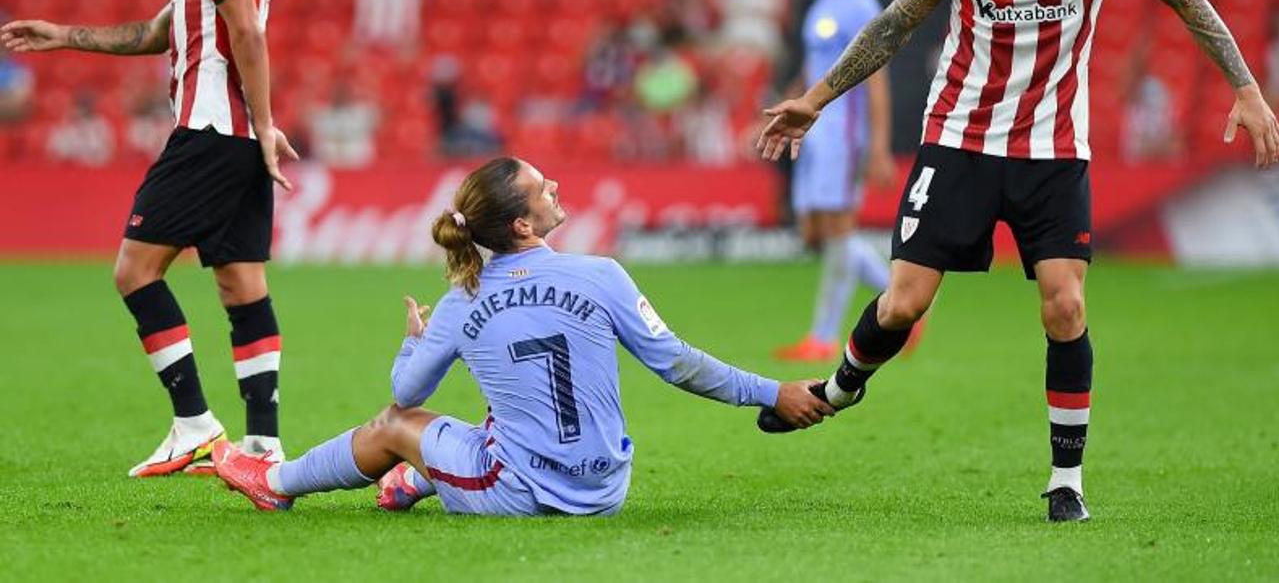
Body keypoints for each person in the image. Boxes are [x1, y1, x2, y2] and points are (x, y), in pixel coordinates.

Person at [755, 0, 1279, 522]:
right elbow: (893, 26)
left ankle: (1065, 480)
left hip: (1052, 149)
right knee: (904, 302)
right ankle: (841, 388)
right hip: (959, 139)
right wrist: (815, 99)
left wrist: (1245, 89)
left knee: (1065, 305)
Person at [213, 157, 833, 514]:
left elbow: (404, 392)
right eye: (542, 188)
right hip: (605, 487)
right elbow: (675, 363)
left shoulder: (465, 297)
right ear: (521, 222)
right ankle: (413, 480)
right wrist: (770, 391)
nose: (554, 187)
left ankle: (274, 484)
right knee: (500, 411)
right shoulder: (602, 274)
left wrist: (412, 340)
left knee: (392, 427)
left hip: (526, 492)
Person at [1, 0, 298, 476]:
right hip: (238, 135)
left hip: (213, 133)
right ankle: (264, 447)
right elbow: (159, 33)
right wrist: (62, 35)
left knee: (135, 271)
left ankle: (194, 425)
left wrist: (266, 122)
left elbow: (248, 35)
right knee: (241, 284)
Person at [771, 0, 900, 362]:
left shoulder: (860, 4)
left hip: (844, 132)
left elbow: (877, 77)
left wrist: (879, 146)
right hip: (814, 133)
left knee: (839, 229)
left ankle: (823, 338)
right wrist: (783, 108)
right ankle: (901, 303)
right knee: (815, 232)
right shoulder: (821, 5)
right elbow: (813, 71)